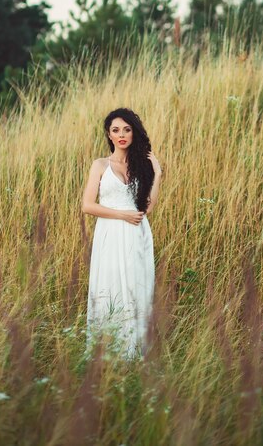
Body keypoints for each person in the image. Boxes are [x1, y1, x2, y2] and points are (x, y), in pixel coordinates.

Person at [82, 107, 162, 361]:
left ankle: (135, 352)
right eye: (116, 130)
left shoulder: (141, 166)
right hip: (111, 233)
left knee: (137, 288)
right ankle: (107, 350)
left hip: (137, 235)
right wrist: (122, 215)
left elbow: (146, 207)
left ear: (133, 133)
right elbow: (87, 205)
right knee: (110, 288)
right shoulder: (101, 165)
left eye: (127, 129)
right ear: (109, 134)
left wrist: (157, 174)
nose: (122, 135)